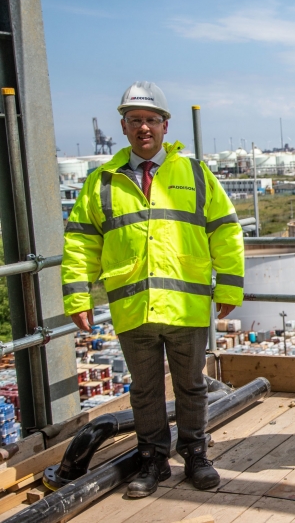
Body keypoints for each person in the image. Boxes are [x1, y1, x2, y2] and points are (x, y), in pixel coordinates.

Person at [61, 81, 245, 497]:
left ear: (166, 125)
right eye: (135, 121)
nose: (144, 128)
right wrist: (77, 296)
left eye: (151, 120)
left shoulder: (195, 173)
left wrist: (230, 287)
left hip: (185, 303)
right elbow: (80, 241)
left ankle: (196, 455)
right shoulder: (101, 182)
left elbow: (226, 232)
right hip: (133, 307)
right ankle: (152, 461)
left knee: (192, 385)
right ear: (123, 128)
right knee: (143, 390)